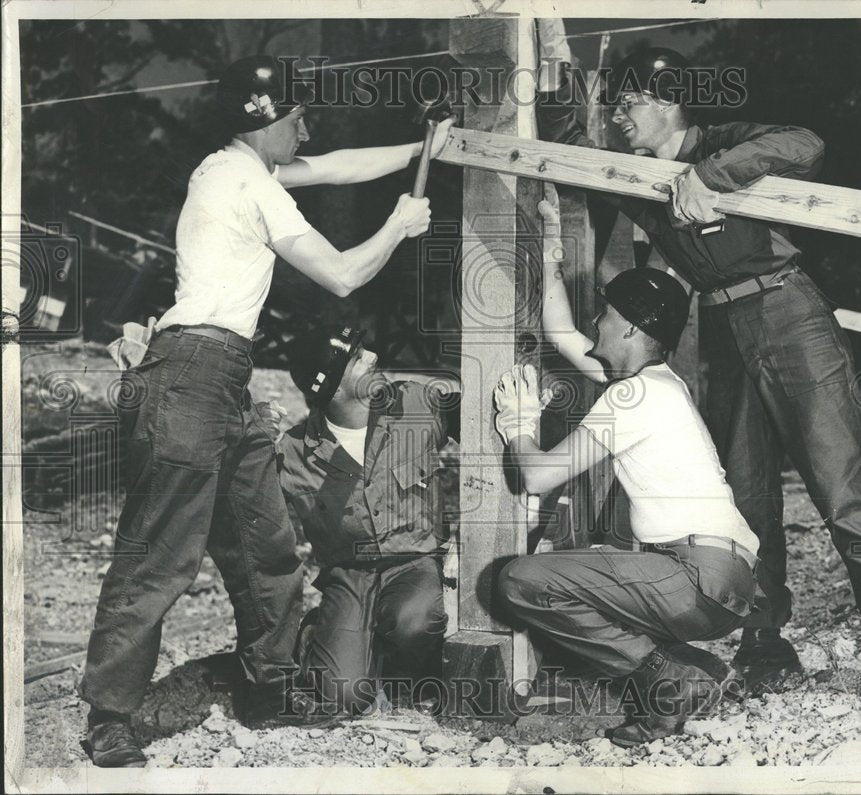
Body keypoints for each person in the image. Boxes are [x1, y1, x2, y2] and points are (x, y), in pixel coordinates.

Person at [534, 23, 861, 714]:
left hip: (791, 316)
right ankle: (764, 641)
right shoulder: (638, 176)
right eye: (615, 106)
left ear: (669, 103)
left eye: (629, 104)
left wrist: (708, 177)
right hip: (721, 329)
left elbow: (805, 144)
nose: (620, 118)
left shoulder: (719, 142)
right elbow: (573, 152)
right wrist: (549, 70)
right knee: (747, 496)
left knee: (842, 489)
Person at [79, 54, 451, 767]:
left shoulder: (235, 168)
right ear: (264, 121)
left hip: (225, 377)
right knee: (160, 553)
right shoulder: (246, 179)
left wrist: (421, 148)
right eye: (296, 117)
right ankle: (110, 714)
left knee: (264, 546)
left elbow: (337, 165)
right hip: (189, 372)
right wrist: (400, 226)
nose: (305, 127)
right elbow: (342, 272)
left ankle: (270, 685)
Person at [496, 195, 761, 744]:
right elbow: (563, 333)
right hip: (722, 578)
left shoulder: (634, 396)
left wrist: (519, 424)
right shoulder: (659, 383)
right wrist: (550, 251)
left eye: (607, 314)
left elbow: (540, 476)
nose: (597, 320)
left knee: (521, 580)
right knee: (596, 563)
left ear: (631, 330)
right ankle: (681, 685)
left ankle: (671, 673)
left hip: (697, 577)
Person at [268, 325, 454, 719]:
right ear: (333, 389)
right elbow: (234, 501)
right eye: (356, 357)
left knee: (416, 622)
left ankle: (402, 666)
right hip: (349, 577)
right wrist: (249, 435)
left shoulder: (420, 403)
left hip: (413, 562)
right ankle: (319, 635)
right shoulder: (291, 451)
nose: (371, 356)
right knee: (345, 697)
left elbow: (488, 433)